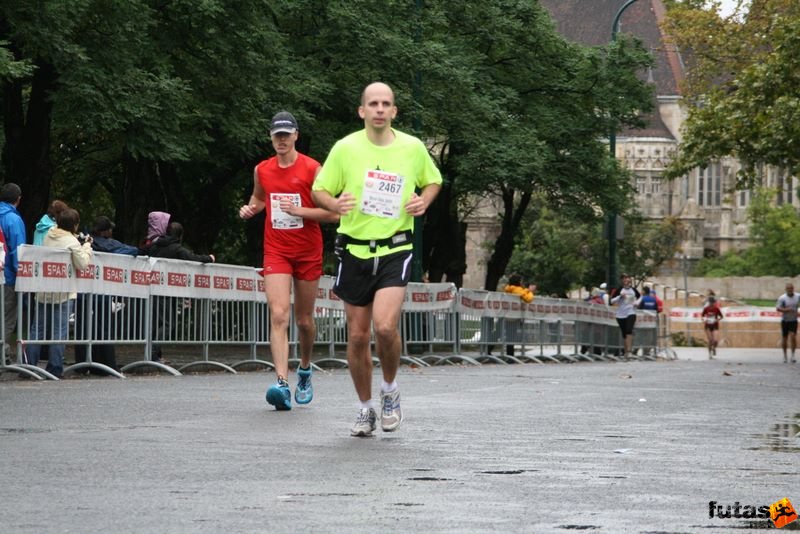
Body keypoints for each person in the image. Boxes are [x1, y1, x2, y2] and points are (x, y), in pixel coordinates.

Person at [312, 81, 442, 437]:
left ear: (394, 111)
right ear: (362, 111)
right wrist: (333, 204)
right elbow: (319, 189)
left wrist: (424, 201)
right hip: (354, 248)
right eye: (374, 104)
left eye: (386, 104)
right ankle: (364, 408)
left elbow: (433, 181)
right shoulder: (345, 148)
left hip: (395, 247)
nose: (380, 109)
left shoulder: (412, 148)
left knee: (384, 326)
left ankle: (389, 390)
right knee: (356, 337)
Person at [238, 111, 338, 411]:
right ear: (271, 137)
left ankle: (305, 369)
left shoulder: (313, 169)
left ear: (296, 136)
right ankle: (281, 382)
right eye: (276, 135)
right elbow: (259, 198)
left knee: (304, 321)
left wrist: (300, 212)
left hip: (308, 251)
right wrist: (250, 209)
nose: (281, 140)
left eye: (286, 134)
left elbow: (333, 214)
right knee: (279, 314)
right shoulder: (262, 170)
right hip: (276, 250)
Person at [26, 208, 93, 378]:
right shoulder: (72, 242)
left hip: (44, 289)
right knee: (59, 331)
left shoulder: (48, 234)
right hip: (63, 291)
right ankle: (55, 367)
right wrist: (87, 246)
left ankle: (30, 366)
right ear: (75, 225)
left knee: (37, 329)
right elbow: (82, 263)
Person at [142, 221, 215, 363]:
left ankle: (155, 354)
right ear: (180, 235)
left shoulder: (154, 246)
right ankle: (153, 353)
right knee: (168, 324)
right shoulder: (176, 248)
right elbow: (193, 258)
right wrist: (209, 258)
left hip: (152, 288)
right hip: (167, 291)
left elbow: (141, 251)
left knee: (156, 323)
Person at [74, 216, 139, 371]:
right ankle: (105, 364)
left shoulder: (83, 242)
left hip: (82, 290)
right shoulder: (111, 244)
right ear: (105, 231)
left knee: (82, 327)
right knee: (103, 328)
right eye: (110, 229)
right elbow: (133, 250)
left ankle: (81, 364)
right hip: (101, 290)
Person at [0, 183, 26, 358]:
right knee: (7, 317)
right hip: (7, 276)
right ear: (18, 199)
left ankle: (4, 352)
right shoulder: (13, 220)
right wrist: (22, 275)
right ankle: (2, 352)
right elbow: (18, 250)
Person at [609, 273, 641, 359]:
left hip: (631, 312)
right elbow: (611, 301)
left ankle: (629, 351)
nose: (626, 280)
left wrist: (637, 303)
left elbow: (640, 298)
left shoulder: (634, 290)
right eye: (624, 278)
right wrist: (620, 297)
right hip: (620, 315)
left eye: (628, 278)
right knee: (624, 334)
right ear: (622, 280)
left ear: (630, 280)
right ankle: (626, 352)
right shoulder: (619, 290)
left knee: (628, 330)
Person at [502, 274, 534, 356]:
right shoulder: (518, 289)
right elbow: (528, 299)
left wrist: (526, 290)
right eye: (521, 280)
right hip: (514, 316)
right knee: (511, 335)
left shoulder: (508, 288)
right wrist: (530, 291)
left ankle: (489, 349)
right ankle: (510, 355)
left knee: (502, 334)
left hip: (506, 314)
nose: (522, 282)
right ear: (518, 281)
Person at [775, 283, 799, 364]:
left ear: (793, 289)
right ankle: (785, 356)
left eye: (791, 288)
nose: (790, 290)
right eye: (788, 288)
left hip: (793, 320)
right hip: (785, 320)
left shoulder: (797, 296)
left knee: (793, 336)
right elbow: (778, 308)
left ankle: (793, 355)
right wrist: (786, 310)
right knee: (784, 338)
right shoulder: (782, 298)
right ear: (786, 289)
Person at [701, 294, 723, 359]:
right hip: (707, 326)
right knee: (710, 340)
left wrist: (717, 319)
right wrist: (704, 320)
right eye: (711, 302)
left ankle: (714, 348)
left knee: (715, 340)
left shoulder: (716, 309)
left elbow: (721, 316)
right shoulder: (706, 309)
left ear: (714, 302)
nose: (712, 303)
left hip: (715, 325)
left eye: (713, 302)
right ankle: (710, 354)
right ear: (709, 302)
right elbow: (702, 316)